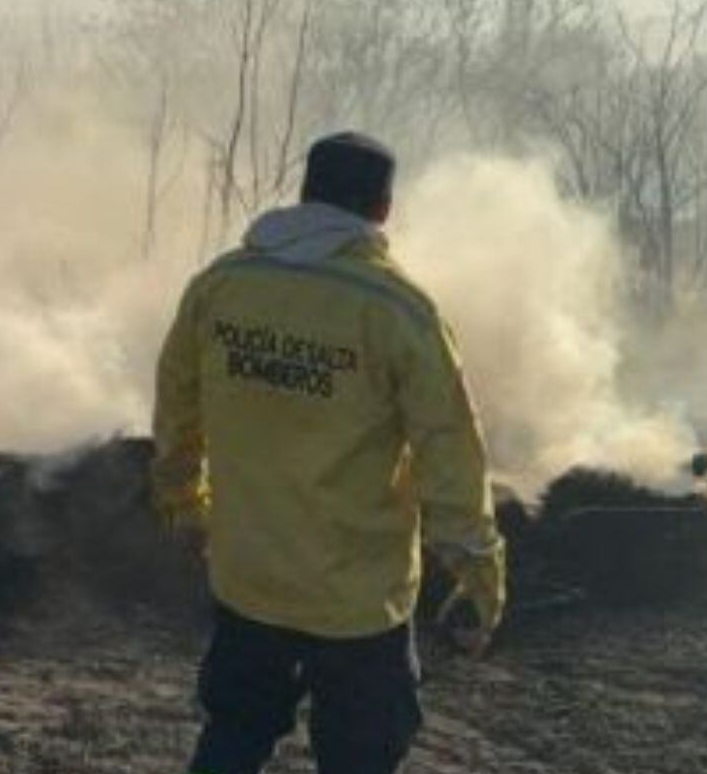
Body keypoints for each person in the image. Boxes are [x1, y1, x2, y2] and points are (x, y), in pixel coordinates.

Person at [151, 131, 506, 774]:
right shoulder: (399, 312)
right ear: (383, 209)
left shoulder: (221, 286)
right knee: (362, 757)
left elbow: (177, 411)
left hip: (248, 576)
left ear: (306, 192)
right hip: (359, 601)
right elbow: (450, 452)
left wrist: (182, 503)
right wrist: (480, 571)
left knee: (235, 729)